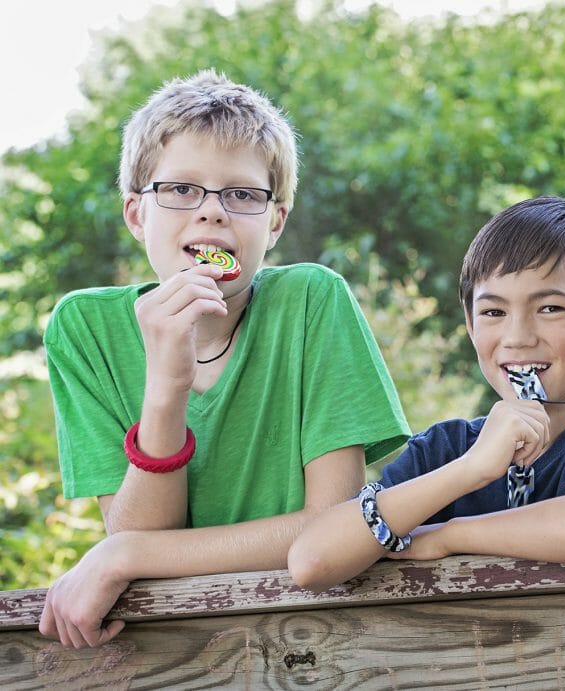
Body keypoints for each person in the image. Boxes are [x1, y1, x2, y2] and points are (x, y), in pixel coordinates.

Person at [39, 70, 410, 647]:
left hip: (314, 633)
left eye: (242, 195)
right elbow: (140, 530)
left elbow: (332, 527)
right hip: (162, 644)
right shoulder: (83, 328)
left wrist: (124, 552)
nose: (212, 213)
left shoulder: (313, 302)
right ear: (138, 214)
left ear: (275, 221)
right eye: (181, 190)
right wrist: (167, 383)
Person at [288, 196, 565, 590]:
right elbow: (312, 561)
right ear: (471, 325)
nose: (517, 338)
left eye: (549, 309)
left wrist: (450, 535)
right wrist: (471, 469)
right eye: (494, 312)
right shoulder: (442, 451)